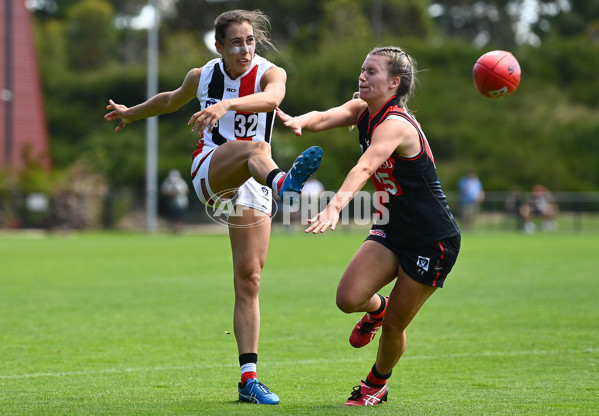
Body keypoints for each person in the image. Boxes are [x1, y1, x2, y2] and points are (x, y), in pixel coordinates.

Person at [104, 9, 323, 405]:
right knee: (257, 149)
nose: (245, 49)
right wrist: (130, 113)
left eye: (250, 40)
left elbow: (273, 99)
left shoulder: (271, 73)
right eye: (236, 42)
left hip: (254, 181)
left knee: (250, 278)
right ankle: (284, 184)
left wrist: (227, 106)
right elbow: (171, 101)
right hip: (212, 172)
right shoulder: (201, 75)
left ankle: (248, 380)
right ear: (219, 46)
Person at [276, 46, 461, 406]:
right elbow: (327, 115)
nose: (362, 76)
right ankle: (376, 309)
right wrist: (300, 121)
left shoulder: (395, 124)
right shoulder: (362, 109)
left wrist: (334, 207)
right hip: (392, 227)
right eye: (362, 69)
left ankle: (376, 383)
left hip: (431, 239)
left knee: (395, 326)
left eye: (371, 72)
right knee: (348, 299)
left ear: (394, 82)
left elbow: (364, 167)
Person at [160, 169, 189, 234]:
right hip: (171, 204)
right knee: (172, 218)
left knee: (179, 218)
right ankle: (173, 229)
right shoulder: (167, 182)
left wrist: (179, 192)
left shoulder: (182, 182)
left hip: (181, 204)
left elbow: (186, 190)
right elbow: (164, 192)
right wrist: (171, 193)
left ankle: (178, 229)